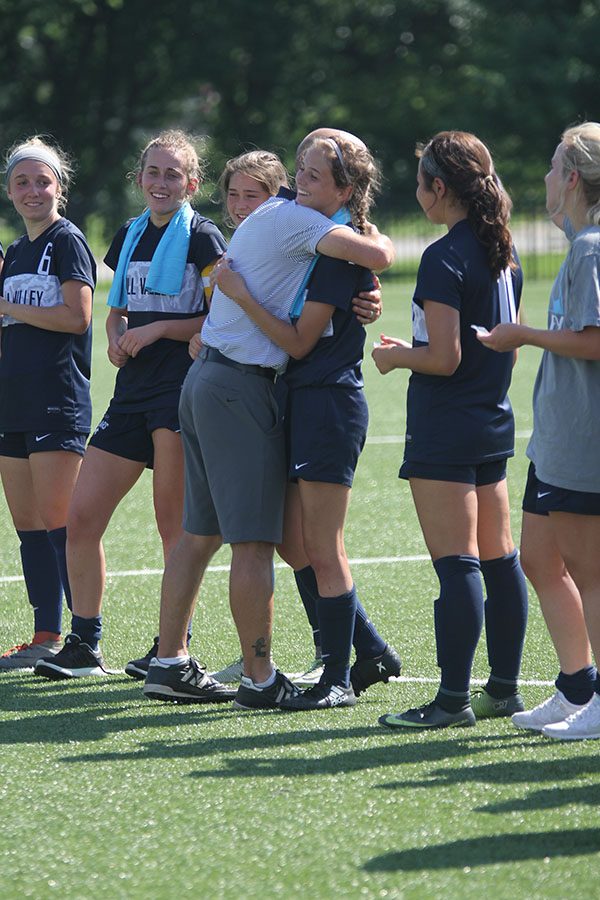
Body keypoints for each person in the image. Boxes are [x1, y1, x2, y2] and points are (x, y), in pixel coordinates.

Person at [142, 128, 394, 709]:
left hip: (207, 380)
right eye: (298, 171)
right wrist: (370, 241)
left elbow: (356, 271)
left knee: (199, 534)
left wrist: (365, 287)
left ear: (344, 186)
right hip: (240, 386)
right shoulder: (299, 218)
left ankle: (169, 661)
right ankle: (259, 678)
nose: (296, 183)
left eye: (309, 174)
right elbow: (377, 255)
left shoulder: (285, 219)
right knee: (255, 543)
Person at [34, 131, 229, 691]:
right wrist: (117, 335)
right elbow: (116, 309)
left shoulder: (204, 237)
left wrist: (164, 328)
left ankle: (173, 649)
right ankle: (85, 641)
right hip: (132, 395)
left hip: (180, 393)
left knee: (174, 529)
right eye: (153, 173)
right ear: (139, 179)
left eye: (173, 175)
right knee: (82, 517)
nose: (161, 183)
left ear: (191, 184)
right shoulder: (129, 234)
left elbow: (221, 319)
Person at [373, 130, 528, 730]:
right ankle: (505, 690)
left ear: (440, 188)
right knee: (499, 557)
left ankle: (450, 701)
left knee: (457, 565)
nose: (418, 194)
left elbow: (444, 357)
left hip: (445, 425)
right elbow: (505, 352)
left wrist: (395, 356)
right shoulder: (501, 251)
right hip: (492, 420)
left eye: (420, 184)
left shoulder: (445, 255)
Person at [479, 122, 600, 740]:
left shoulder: (590, 249)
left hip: (585, 442)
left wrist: (521, 334)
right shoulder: (579, 240)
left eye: (555, 170)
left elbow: (595, 341)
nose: (547, 179)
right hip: (555, 439)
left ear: (574, 178)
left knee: (590, 570)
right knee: (542, 557)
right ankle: (577, 685)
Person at [0, 137, 95, 670]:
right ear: (10, 191)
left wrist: (4, 302)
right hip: (12, 402)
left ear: (60, 187)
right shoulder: (14, 251)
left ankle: (86, 639)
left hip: (55, 400)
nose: (33, 190)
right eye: (22, 182)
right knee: (29, 526)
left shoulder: (67, 240)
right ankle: (44, 637)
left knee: (64, 526)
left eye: (43, 180)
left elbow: (75, 316)